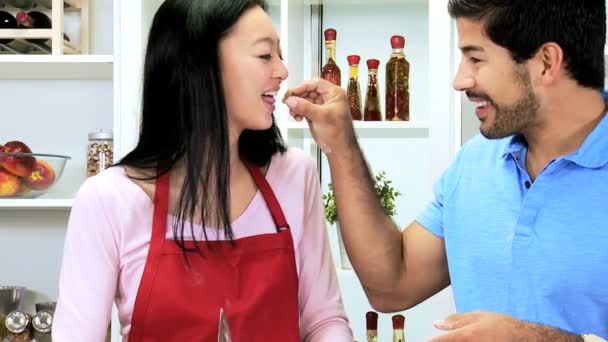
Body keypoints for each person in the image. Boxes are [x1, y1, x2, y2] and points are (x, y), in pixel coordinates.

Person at [283, 0, 608, 341]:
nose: (460, 80)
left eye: (476, 58)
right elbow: (392, 284)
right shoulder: (475, 162)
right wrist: (342, 144)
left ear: (546, 62)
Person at [52, 1, 352, 341]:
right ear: (200, 64)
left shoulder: (295, 175)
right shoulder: (109, 199)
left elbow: (325, 320)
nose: (283, 71)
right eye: (266, 55)